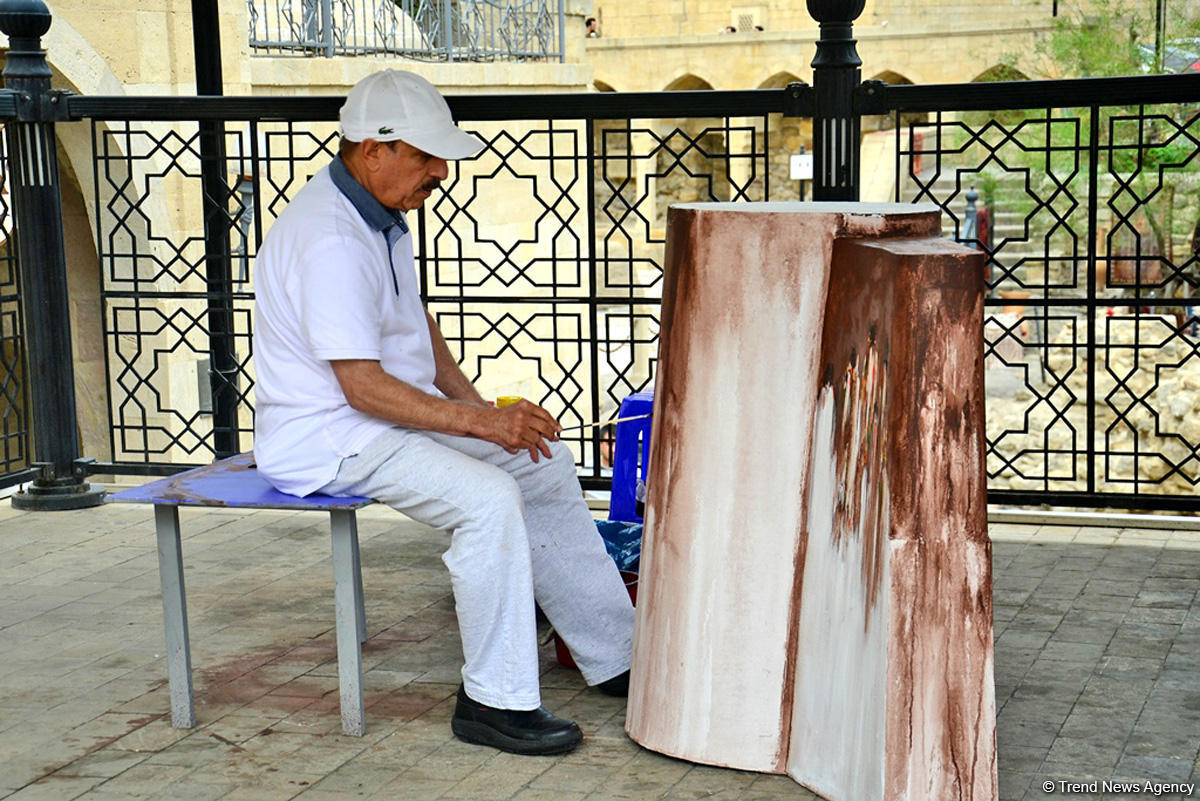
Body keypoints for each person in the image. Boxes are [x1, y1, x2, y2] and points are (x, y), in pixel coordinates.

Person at [251, 69, 634, 755]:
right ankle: (493, 701)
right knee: (488, 500)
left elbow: (416, 328)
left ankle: (615, 654)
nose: (441, 174)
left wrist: (483, 412)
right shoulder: (332, 238)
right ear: (374, 150)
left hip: (383, 418)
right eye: (426, 157)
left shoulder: (379, 213)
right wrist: (484, 425)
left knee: (541, 464)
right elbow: (362, 387)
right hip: (330, 435)